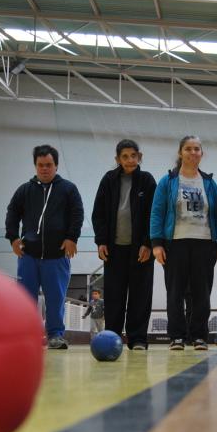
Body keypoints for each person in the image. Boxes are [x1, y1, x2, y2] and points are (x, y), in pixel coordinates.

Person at [150, 135, 217, 350]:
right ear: (180, 153)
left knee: (201, 293)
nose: (193, 153)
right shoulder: (168, 181)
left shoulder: (210, 183)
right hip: (175, 244)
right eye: (188, 149)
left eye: (196, 149)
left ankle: (199, 336)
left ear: (202, 154)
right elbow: (157, 213)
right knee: (175, 292)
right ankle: (177, 336)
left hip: (204, 244)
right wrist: (156, 243)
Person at [5, 144, 84, 350]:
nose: (44, 169)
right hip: (28, 256)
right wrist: (13, 238)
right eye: (40, 165)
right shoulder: (25, 190)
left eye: (49, 165)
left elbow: (77, 214)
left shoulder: (68, 189)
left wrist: (71, 238)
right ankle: (25, 335)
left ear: (56, 166)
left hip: (57, 256)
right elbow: (12, 213)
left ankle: (55, 336)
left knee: (55, 299)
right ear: (35, 166)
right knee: (25, 299)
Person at [91, 139, 156, 351]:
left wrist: (148, 243)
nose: (130, 160)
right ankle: (112, 338)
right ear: (117, 159)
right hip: (114, 249)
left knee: (140, 295)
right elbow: (98, 214)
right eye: (125, 156)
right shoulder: (108, 180)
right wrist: (101, 241)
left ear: (140, 157)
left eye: (133, 156)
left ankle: (138, 339)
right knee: (114, 296)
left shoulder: (147, 181)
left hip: (141, 251)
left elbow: (153, 216)